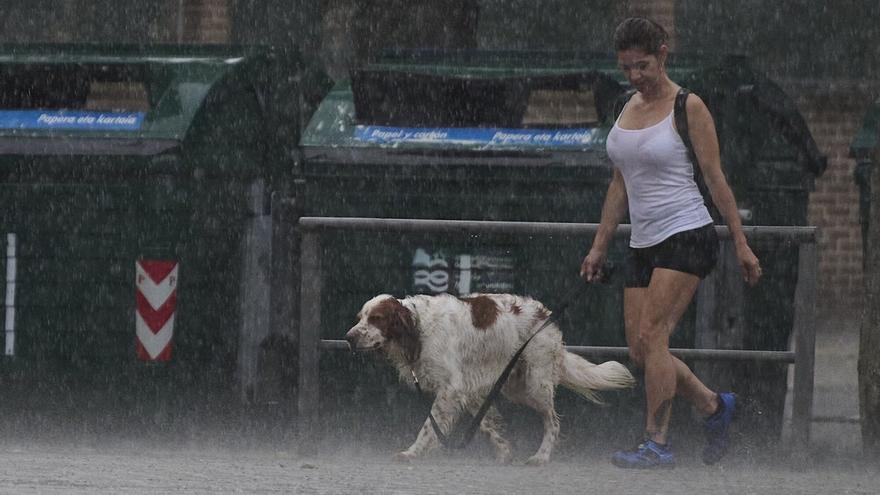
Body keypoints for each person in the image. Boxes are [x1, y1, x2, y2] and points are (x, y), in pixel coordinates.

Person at [580, 17, 762, 469]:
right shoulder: (624, 107)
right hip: (643, 243)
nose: (635, 77)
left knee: (653, 335)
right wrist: (599, 245)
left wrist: (740, 242)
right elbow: (620, 183)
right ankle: (714, 407)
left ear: (663, 53)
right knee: (641, 351)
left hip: (687, 233)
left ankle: (656, 443)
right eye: (626, 69)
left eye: (642, 66)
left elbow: (716, 178)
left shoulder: (689, 107)